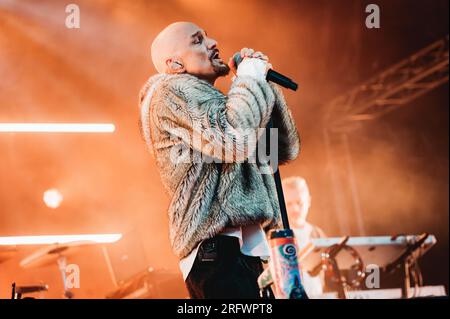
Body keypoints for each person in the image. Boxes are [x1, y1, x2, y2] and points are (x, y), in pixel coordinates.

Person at [139, 21, 300, 299]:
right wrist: (248, 81)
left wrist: (261, 85)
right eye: (197, 40)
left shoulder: (218, 108)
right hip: (215, 252)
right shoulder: (169, 94)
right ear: (175, 64)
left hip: (247, 250)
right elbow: (235, 139)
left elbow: (279, 152)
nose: (213, 42)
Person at [282, 176, 326, 296]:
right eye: (289, 204)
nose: (295, 209)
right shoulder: (277, 237)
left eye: (299, 203)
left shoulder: (318, 233)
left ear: (309, 201)